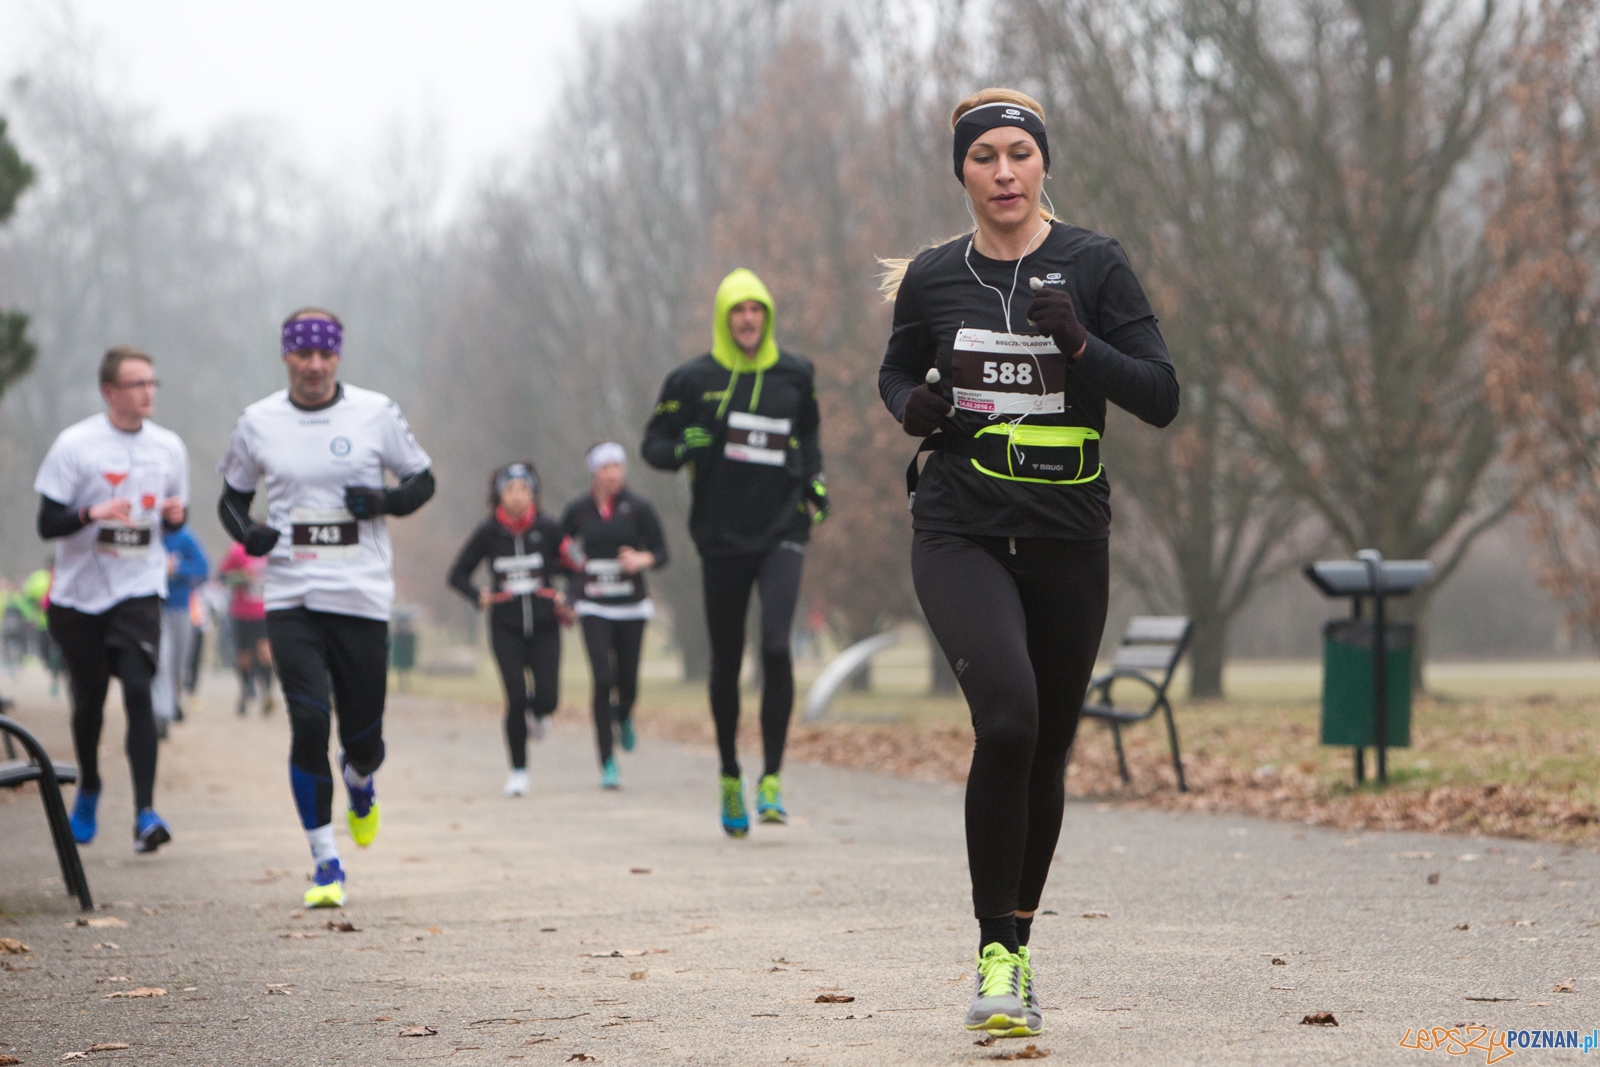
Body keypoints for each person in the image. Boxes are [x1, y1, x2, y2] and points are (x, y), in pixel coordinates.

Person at [878, 88, 1179, 1037]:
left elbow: (1163, 396)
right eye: (984, 158)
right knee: (1007, 717)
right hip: (959, 525)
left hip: (1065, 534)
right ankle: (994, 955)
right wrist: (908, 408)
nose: (1003, 173)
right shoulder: (933, 276)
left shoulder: (1095, 263)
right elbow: (894, 369)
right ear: (961, 171)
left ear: (1043, 163)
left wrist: (1081, 343)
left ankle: (1021, 936)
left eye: (1019, 154)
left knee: (1047, 744)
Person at [217, 308, 435, 908]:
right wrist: (250, 535)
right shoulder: (258, 421)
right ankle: (324, 863)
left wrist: (383, 500)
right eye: (302, 354)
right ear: (285, 356)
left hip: (361, 595)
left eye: (324, 354)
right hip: (292, 595)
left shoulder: (375, 412)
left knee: (364, 738)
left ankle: (360, 779)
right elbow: (232, 501)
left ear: (338, 356)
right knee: (309, 721)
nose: (314, 366)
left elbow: (423, 481)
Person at [642, 268, 828, 836]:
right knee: (726, 662)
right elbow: (653, 444)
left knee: (776, 645)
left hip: (782, 530)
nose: (748, 320)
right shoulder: (691, 379)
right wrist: (682, 447)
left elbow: (810, 437)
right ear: (724, 318)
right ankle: (729, 775)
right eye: (737, 312)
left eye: (757, 311)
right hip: (721, 535)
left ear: (767, 317)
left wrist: (815, 485)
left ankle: (771, 778)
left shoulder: (795, 373)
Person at [34, 346, 190, 853]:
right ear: (110, 392)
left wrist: (172, 517)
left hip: (139, 589)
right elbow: (46, 524)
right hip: (80, 596)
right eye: (137, 384)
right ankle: (91, 787)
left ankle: (145, 813)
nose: (148, 392)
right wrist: (91, 513)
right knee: (91, 700)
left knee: (141, 691)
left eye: (152, 383)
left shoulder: (169, 447)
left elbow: (175, 517)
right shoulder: (75, 445)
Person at [447, 462, 569, 796]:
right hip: (506, 628)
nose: (517, 497)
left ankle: (539, 712)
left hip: (545, 626)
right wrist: (478, 596)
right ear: (499, 495)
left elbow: (577, 566)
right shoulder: (489, 533)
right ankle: (518, 770)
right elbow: (457, 574)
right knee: (515, 698)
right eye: (510, 490)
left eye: (524, 490)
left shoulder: (549, 528)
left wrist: (566, 596)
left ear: (533, 494)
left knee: (548, 698)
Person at [559, 442, 668, 789]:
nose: (613, 474)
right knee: (602, 678)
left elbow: (662, 551)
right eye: (606, 468)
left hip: (631, 604)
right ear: (595, 472)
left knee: (628, 678)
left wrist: (642, 559)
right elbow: (560, 549)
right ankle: (607, 761)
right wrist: (572, 583)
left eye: (618, 467)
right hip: (594, 604)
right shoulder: (578, 510)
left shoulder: (638, 508)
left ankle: (626, 715)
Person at [151, 524, 208, 734]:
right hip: (155, 608)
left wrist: (177, 568)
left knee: (178, 663)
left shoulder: (184, 538)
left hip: (181, 609)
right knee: (162, 660)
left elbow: (203, 567)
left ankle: (173, 702)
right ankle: (161, 713)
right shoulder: (149, 535)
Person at [218, 540, 273, 716]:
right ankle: (245, 690)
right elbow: (222, 577)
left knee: (265, 652)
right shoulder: (237, 551)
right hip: (241, 612)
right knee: (244, 656)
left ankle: (267, 691)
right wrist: (241, 576)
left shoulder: (272, 548)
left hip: (264, 612)